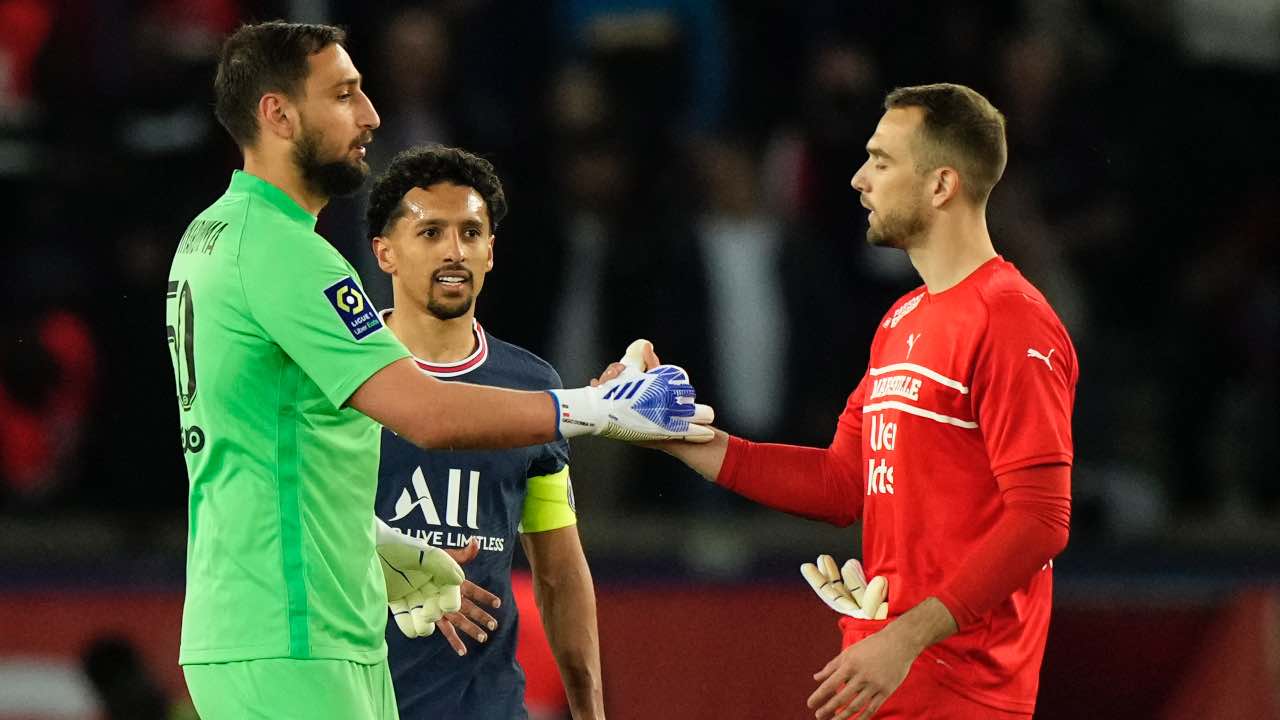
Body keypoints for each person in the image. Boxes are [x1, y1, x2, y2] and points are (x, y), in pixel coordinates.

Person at [167, 21, 709, 720]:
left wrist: (379, 546)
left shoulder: (214, 235)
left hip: (292, 621)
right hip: (294, 632)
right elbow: (427, 413)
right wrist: (601, 408)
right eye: (344, 95)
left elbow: (259, 440)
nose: (371, 116)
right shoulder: (286, 255)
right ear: (278, 113)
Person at [631, 84, 1077, 719]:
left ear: (941, 185)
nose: (859, 178)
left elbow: (1041, 520)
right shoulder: (901, 319)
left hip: (965, 693)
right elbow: (844, 482)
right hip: (885, 682)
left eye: (882, 160)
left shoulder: (1011, 320)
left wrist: (905, 635)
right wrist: (670, 434)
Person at [366, 145, 604, 719]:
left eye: (471, 232)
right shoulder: (337, 376)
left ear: (491, 252)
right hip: (358, 701)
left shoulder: (530, 386)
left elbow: (559, 570)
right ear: (386, 253)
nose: (454, 250)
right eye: (430, 233)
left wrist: (590, 711)